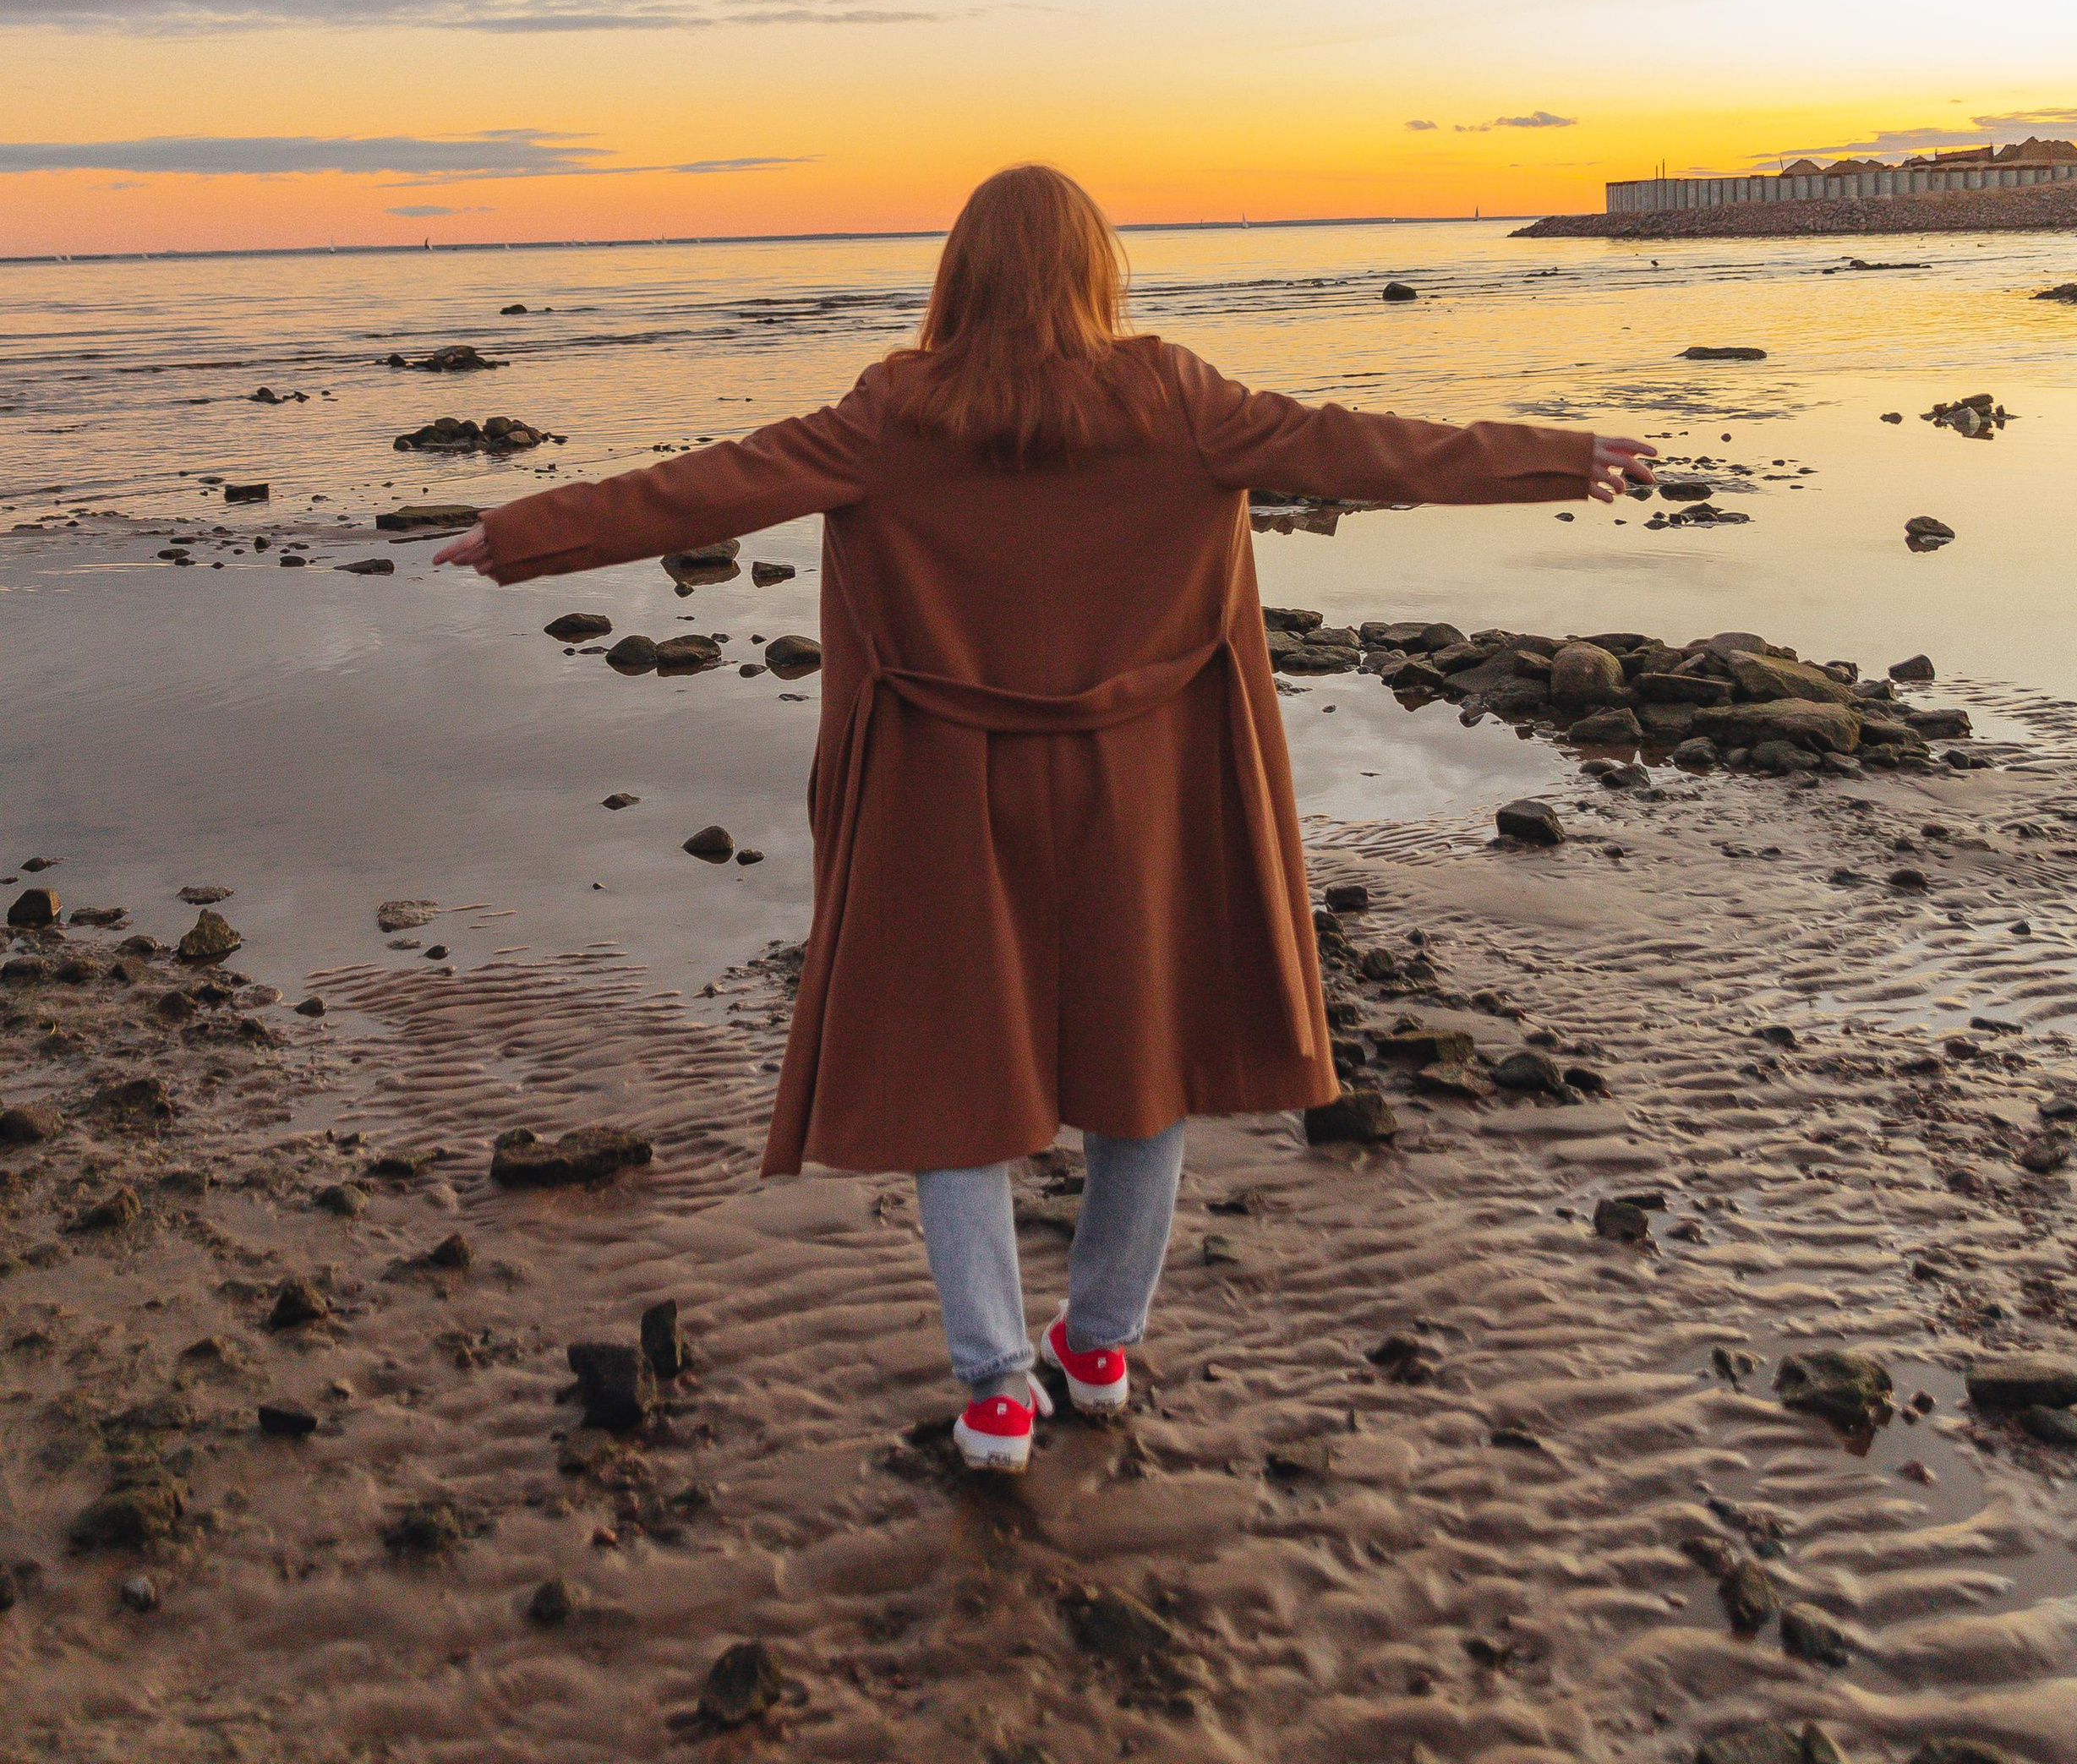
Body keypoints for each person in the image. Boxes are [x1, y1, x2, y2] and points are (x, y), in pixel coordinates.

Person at [437, 166, 1653, 1472]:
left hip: (945, 792)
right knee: (1143, 1065)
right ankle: (1099, 1346)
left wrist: (515, 534)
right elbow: (1366, 447)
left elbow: (702, 491)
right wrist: (1564, 457)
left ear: (958, 277)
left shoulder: (893, 414)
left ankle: (999, 1392)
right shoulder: (1176, 399)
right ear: (1094, 273)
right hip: (1142, 787)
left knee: (961, 1080)